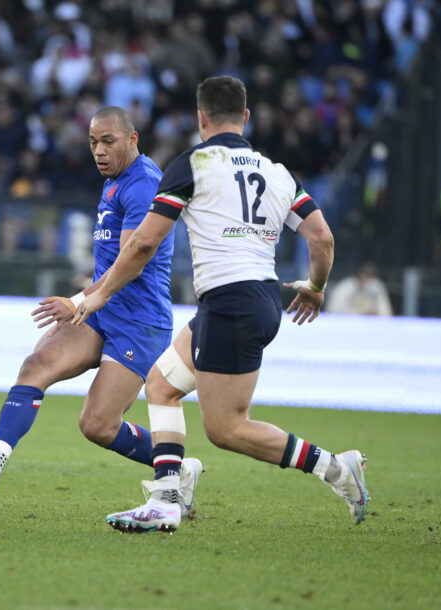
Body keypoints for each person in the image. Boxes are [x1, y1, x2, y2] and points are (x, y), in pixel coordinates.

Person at [72, 76, 369, 533]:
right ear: (246, 118)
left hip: (229, 302)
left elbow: (143, 243)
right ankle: (168, 496)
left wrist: (100, 293)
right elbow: (322, 237)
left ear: (201, 118)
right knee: (161, 386)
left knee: (226, 428)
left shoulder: (193, 164)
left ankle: (335, 468)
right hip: (257, 299)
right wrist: (315, 285)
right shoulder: (277, 172)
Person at [0, 107, 204, 516]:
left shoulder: (144, 184)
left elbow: (134, 258)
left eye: (108, 141)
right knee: (36, 364)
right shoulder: (115, 180)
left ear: (132, 140)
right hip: (101, 310)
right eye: (94, 142)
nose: (99, 150)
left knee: (97, 425)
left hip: (138, 321)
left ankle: (178, 468)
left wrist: (80, 300)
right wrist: (87, 299)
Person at [326, 261, 393, 316]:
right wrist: (360, 313)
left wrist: (375, 313)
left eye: (369, 277)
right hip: (347, 325)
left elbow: (386, 313)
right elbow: (333, 310)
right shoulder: (345, 287)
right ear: (359, 275)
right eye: (364, 275)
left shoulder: (376, 287)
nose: (366, 280)